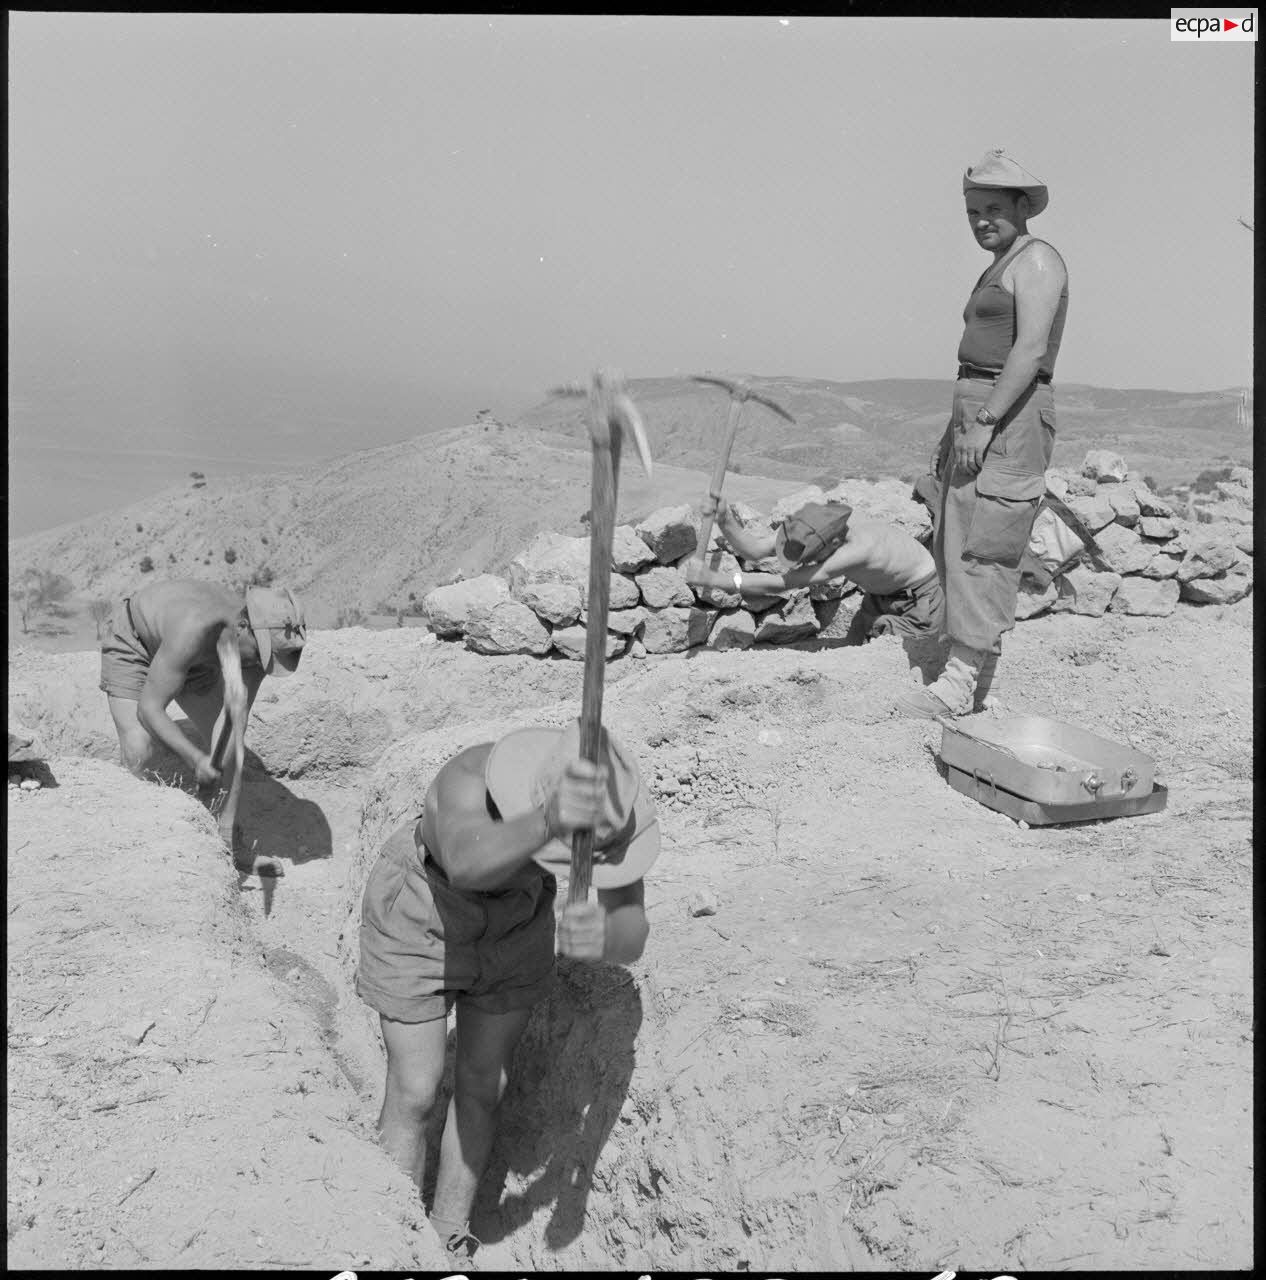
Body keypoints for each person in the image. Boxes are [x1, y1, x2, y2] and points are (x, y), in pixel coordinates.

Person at [355, 720, 658, 1265]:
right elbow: (467, 865)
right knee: (416, 1087)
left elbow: (630, 932)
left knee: (483, 1083)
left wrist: (606, 936)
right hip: (426, 906)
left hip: (517, 921)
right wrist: (548, 821)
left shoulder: (614, 810)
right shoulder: (468, 779)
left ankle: (448, 1236)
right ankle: (390, 1243)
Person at [897, 147, 1069, 718]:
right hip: (978, 404)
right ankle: (975, 679)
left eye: (993, 209)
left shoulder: (1037, 260)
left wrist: (987, 420)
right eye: (973, 212)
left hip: (1009, 411)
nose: (981, 221)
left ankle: (961, 680)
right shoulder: (1001, 262)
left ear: (1023, 208)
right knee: (959, 534)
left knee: (986, 543)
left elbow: (1030, 350)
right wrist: (960, 426)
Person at [98, 579, 306, 865]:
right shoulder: (194, 628)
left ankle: (227, 843)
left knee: (231, 744)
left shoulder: (253, 650)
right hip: (135, 642)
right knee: (139, 748)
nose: (262, 667)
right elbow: (149, 709)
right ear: (242, 627)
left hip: (200, 658)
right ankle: (138, 845)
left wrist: (217, 761)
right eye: (261, 656)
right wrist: (196, 759)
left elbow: (233, 723)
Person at [686, 499, 944, 644]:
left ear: (832, 545)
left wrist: (714, 579)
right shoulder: (806, 528)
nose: (804, 563)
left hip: (919, 601)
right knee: (852, 648)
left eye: (811, 558)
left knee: (884, 652)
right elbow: (753, 550)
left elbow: (778, 583)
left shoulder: (855, 551)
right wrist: (724, 519)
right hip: (879, 597)